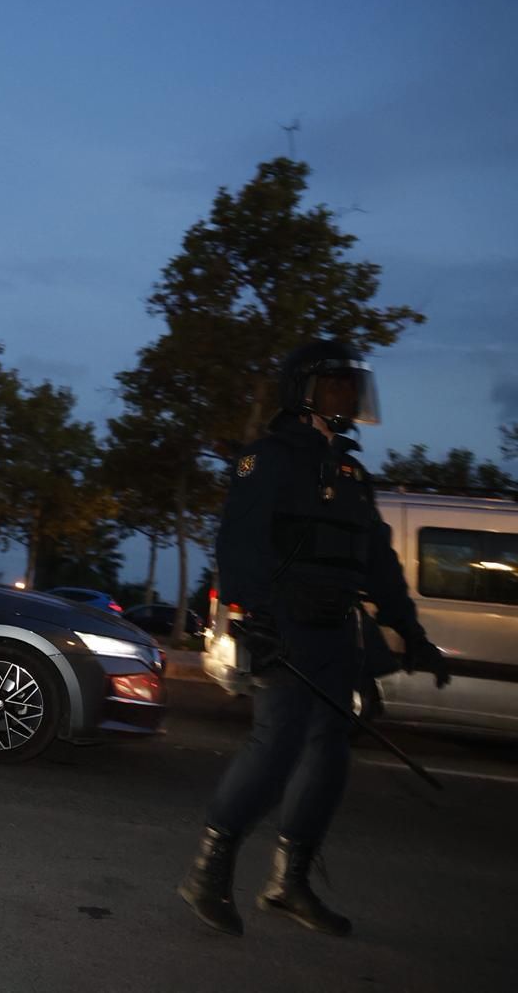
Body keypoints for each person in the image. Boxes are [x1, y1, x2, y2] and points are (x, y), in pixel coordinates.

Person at [178, 339, 452, 938]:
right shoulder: (268, 457)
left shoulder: (352, 472)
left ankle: (287, 882)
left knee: (329, 756)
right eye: (336, 386)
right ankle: (208, 871)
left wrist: (411, 630)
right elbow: (239, 544)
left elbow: (377, 559)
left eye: (353, 388)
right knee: (276, 749)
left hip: (338, 632)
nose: (348, 398)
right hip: (287, 625)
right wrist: (256, 619)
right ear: (304, 390)